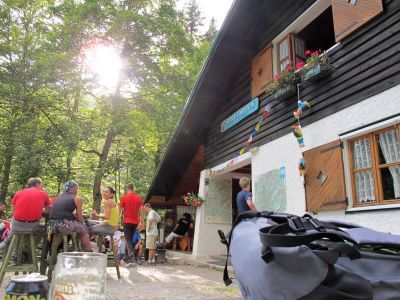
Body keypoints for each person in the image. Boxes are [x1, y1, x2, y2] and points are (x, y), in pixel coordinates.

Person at [0, 178, 51, 264]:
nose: (42, 187)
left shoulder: (19, 193)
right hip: (31, 227)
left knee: (17, 233)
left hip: (16, 225)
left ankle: (14, 256)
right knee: (41, 230)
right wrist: (39, 209)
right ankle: (27, 252)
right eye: (41, 185)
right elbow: (48, 211)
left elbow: (15, 210)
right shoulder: (43, 194)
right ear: (37, 184)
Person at [48, 180, 92, 252]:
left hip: (51, 225)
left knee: (74, 228)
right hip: (63, 225)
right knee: (83, 229)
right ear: (74, 189)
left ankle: (53, 252)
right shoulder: (77, 198)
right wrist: (82, 224)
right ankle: (89, 252)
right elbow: (79, 216)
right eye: (77, 189)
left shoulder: (59, 197)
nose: (77, 191)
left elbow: (62, 211)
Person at [119, 183, 144, 262]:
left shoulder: (124, 197)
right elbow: (142, 211)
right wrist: (141, 222)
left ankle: (132, 257)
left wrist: (117, 221)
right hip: (135, 222)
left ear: (127, 189)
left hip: (126, 221)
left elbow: (119, 210)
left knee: (128, 239)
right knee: (129, 239)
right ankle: (125, 257)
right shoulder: (138, 198)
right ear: (133, 189)